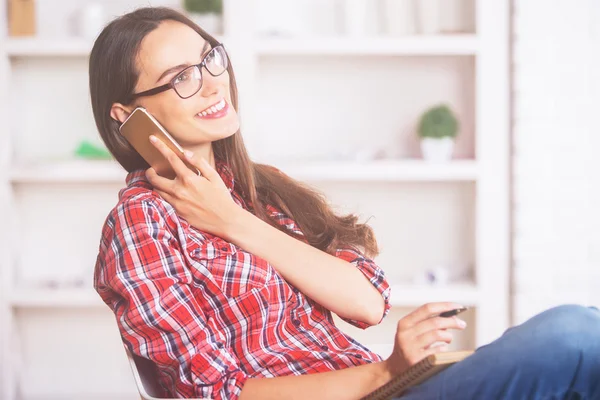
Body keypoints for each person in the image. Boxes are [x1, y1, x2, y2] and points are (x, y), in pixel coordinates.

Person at [91, 7, 600, 400]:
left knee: (587, 330)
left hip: (387, 386)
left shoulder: (261, 189)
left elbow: (366, 303)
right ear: (126, 115)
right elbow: (218, 392)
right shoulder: (141, 222)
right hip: (378, 384)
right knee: (572, 338)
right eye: (182, 77)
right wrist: (384, 371)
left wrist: (233, 221)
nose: (212, 83)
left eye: (210, 59)